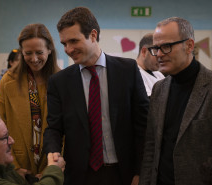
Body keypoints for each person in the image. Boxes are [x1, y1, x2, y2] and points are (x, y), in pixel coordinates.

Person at [43, 7, 149, 185]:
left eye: (74, 41)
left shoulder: (127, 70)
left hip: (123, 174)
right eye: (64, 44)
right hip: (80, 176)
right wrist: (53, 152)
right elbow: (53, 127)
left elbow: (143, 126)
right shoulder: (59, 82)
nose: (68, 49)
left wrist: (140, 172)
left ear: (93, 35)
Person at [139, 17, 212, 185]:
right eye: (156, 48)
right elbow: (151, 148)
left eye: (166, 47)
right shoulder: (159, 90)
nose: (158, 54)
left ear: (189, 46)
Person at [0, 23, 60, 179]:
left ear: (49, 50)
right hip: (17, 168)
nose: (34, 58)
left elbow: (68, 130)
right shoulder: (7, 81)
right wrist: (13, 167)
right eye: (28, 53)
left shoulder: (62, 80)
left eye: (39, 52)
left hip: (52, 166)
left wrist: (53, 168)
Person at [136, 33, 165, 98]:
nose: (160, 56)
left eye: (162, 51)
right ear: (144, 51)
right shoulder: (135, 75)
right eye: (156, 51)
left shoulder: (159, 74)